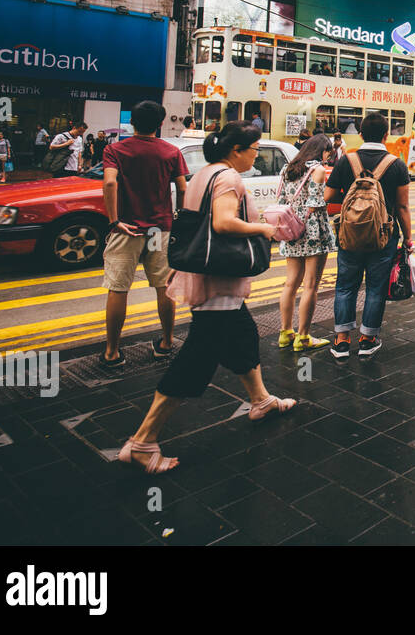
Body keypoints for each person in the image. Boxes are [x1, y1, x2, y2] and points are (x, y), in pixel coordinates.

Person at [118, 121, 294, 474]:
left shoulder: (205, 174)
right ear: (236, 151)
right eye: (254, 149)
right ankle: (142, 442)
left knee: (242, 336)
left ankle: (260, 400)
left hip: (208, 273)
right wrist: (266, 229)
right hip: (219, 279)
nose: (257, 155)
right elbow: (223, 223)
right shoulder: (228, 177)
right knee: (197, 359)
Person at [101, 101, 189, 367]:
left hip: (127, 228)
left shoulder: (115, 150)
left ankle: (112, 352)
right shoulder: (170, 152)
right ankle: (166, 342)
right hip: (159, 228)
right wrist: (179, 216)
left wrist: (114, 220)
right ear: (160, 124)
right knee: (163, 287)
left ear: (132, 123)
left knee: (118, 289)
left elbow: (108, 182)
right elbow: (183, 188)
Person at [323, 112, 413, 358]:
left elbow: (328, 197)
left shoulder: (346, 161)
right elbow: (403, 207)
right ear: (386, 135)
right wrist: (408, 238)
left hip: (349, 234)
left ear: (360, 134)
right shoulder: (397, 164)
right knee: (376, 287)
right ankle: (367, 339)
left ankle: (341, 341)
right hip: (383, 236)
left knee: (345, 285)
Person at [276, 134, 337, 352]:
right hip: (312, 232)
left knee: (290, 283)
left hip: (291, 229)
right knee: (310, 285)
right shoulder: (317, 170)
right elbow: (316, 203)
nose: (328, 157)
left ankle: (285, 333)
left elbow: (281, 200)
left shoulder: (287, 169)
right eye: (328, 152)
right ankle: (303, 337)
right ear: (322, 151)